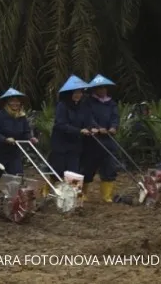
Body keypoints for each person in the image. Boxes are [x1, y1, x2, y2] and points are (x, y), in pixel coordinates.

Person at [0, 88, 38, 208]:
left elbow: (25, 132)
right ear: (7, 103)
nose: (15, 104)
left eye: (17, 101)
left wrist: (30, 138)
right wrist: (5, 139)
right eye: (12, 101)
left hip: (14, 152)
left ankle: (10, 202)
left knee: (16, 175)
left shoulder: (22, 117)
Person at [45, 75, 98, 196]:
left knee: (73, 171)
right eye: (75, 92)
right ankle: (49, 190)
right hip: (60, 144)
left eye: (80, 92)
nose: (78, 95)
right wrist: (79, 131)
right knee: (58, 171)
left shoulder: (83, 106)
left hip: (75, 144)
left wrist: (92, 128)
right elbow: (60, 125)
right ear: (69, 94)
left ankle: (72, 197)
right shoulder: (62, 106)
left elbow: (89, 120)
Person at [82, 74, 119, 203]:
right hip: (93, 141)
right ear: (94, 90)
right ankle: (83, 193)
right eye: (99, 88)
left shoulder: (111, 103)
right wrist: (97, 127)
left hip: (108, 140)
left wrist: (114, 127)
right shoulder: (88, 102)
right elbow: (88, 117)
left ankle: (107, 196)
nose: (102, 91)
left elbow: (115, 117)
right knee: (87, 168)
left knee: (109, 167)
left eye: (104, 88)